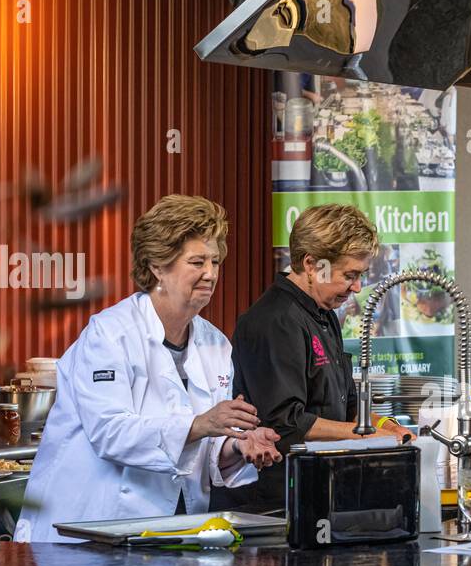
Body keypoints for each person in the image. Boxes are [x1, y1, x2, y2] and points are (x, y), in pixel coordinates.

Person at [15, 195, 281, 544]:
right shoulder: (110, 334)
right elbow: (110, 432)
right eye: (197, 261)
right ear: (158, 266)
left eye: (215, 261)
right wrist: (201, 423)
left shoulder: (214, 343)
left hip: (174, 528)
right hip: (89, 529)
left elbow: (203, 448)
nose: (211, 274)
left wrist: (238, 445)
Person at [216, 204, 409, 513]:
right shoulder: (273, 321)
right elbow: (287, 423)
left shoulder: (324, 314)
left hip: (325, 490)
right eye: (350, 275)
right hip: (280, 501)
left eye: (360, 276)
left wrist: (388, 426)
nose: (357, 288)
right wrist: (371, 435)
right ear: (311, 264)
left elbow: (346, 406)